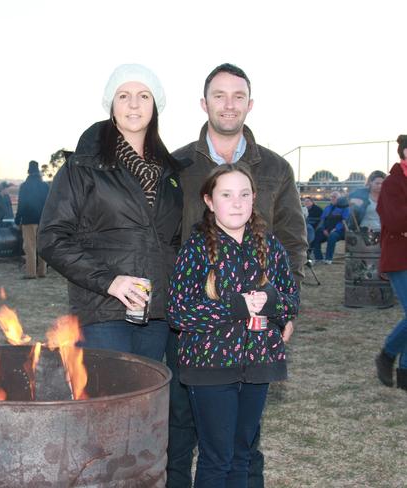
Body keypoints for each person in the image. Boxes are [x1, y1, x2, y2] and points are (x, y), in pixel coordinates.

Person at [167, 63, 307, 488]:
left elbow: (292, 241)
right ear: (204, 102)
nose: (229, 104)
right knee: (184, 426)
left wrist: (285, 313)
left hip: (254, 339)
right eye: (219, 95)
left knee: (242, 443)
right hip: (198, 329)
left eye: (238, 96)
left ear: (250, 103)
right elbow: (162, 240)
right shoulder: (177, 166)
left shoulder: (275, 168)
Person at [38, 63, 184, 361]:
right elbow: (52, 238)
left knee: (145, 402)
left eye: (144, 96)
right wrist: (109, 281)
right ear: (111, 105)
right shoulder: (83, 166)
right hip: (102, 311)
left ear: (155, 106)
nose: (133, 104)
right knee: (108, 401)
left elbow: (175, 241)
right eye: (123, 95)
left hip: (155, 315)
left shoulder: (170, 174)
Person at [375, 135, 407, 391]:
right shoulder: (392, 183)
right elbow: (396, 221)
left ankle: (405, 373)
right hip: (399, 257)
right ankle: (387, 354)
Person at [15, 160, 50, 279]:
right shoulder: (45, 186)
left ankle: (31, 273)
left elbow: (21, 204)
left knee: (30, 247)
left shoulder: (25, 186)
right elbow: (50, 203)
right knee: (42, 246)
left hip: (28, 220)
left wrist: (17, 219)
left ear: (29, 172)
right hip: (43, 220)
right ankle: (42, 271)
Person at [311, 191, 350, 264]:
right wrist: (323, 229)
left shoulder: (345, 208)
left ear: (339, 198)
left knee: (332, 236)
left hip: (340, 231)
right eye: (331, 197)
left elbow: (345, 220)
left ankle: (328, 259)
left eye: (334, 197)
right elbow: (322, 220)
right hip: (327, 230)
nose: (332, 198)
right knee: (316, 236)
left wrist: (336, 229)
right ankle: (319, 258)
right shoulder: (327, 208)